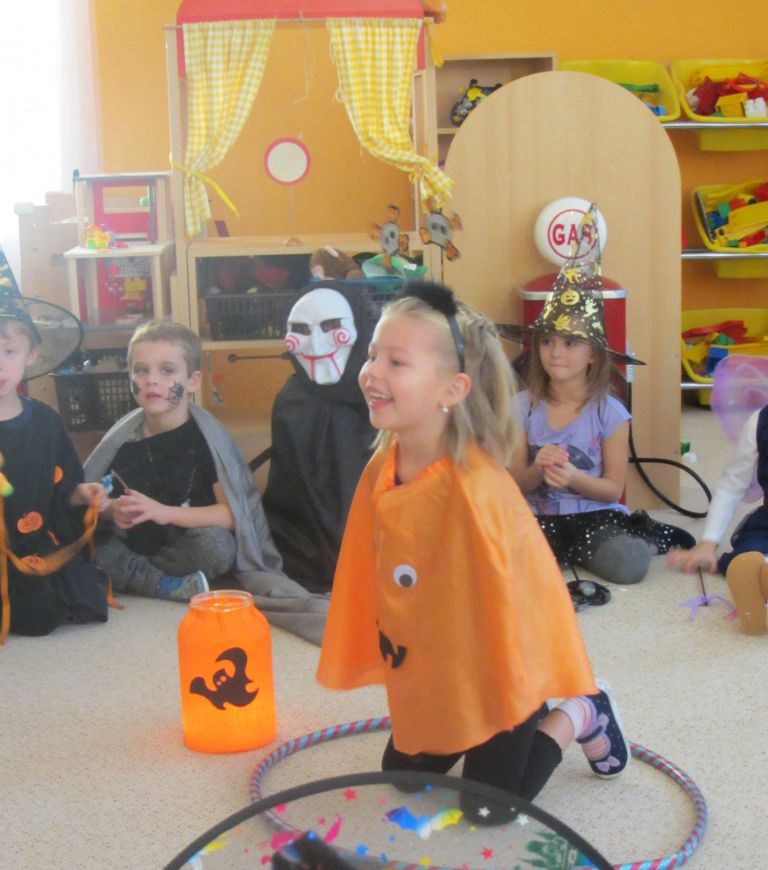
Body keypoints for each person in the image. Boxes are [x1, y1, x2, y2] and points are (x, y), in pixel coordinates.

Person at [316, 280, 629, 823]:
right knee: (403, 778)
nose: (371, 373)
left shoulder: (476, 490)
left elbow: (517, 611)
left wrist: (500, 693)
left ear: (452, 388)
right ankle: (473, 729)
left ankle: (581, 710)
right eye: (372, 355)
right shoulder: (384, 463)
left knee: (488, 810)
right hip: (438, 660)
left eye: (396, 361)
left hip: (502, 665)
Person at [84, 320, 329, 645]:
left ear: (192, 381)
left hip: (182, 546)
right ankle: (163, 584)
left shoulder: (205, 440)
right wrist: (109, 509)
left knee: (218, 547)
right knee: (88, 548)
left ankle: (143, 578)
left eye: (167, 370)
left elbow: (231, 516)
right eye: (141, 370)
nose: (152, 380)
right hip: (131, 544)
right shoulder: (121, 440)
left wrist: (163, 512)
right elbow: (86, 501)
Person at [507, 204, 692, 585]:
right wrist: (538, 468)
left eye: (570, 343)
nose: (556, 353)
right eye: (547, 342)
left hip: (594, 517)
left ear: (593, 355)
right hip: (536, 518)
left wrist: (574, 477)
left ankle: (633, 536)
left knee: (629, 565)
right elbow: (515, 484)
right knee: (500, 562)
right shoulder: (520, 407)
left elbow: (611, 489)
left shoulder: (610, 412)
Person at [0, 304, 108, 637]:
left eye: (9, 351)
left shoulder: (45, 422)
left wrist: (83, 493)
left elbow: (64, 489)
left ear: (31, 354)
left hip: (31, 546)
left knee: (43, 612)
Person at [262, 281, 376, 593]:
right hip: (301, 556)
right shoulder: (292, 401)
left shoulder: (376, 396)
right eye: (301, 330)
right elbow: (289, 493)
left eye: (331, 326)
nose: (316, 344)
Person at [668, 404, 768, 634]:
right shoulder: (760, 422)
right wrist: (709, 542)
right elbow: (732, 485)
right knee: (747, 560)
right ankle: (758, 597)